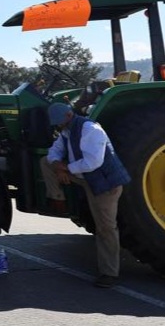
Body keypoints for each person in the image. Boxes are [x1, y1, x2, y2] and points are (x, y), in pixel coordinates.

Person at [41, 102, 130, 288]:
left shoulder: (91, 130)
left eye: (59, 122)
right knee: (45, 162)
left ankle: (109, 273)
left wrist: (65, 168)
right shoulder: (66, 131)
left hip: (104, 184)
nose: (58, 126)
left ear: (68, 115)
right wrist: (57, 166)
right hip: (85, 177)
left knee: (106, 228)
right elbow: (53, 152)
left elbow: (92, 163)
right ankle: (57, 199)